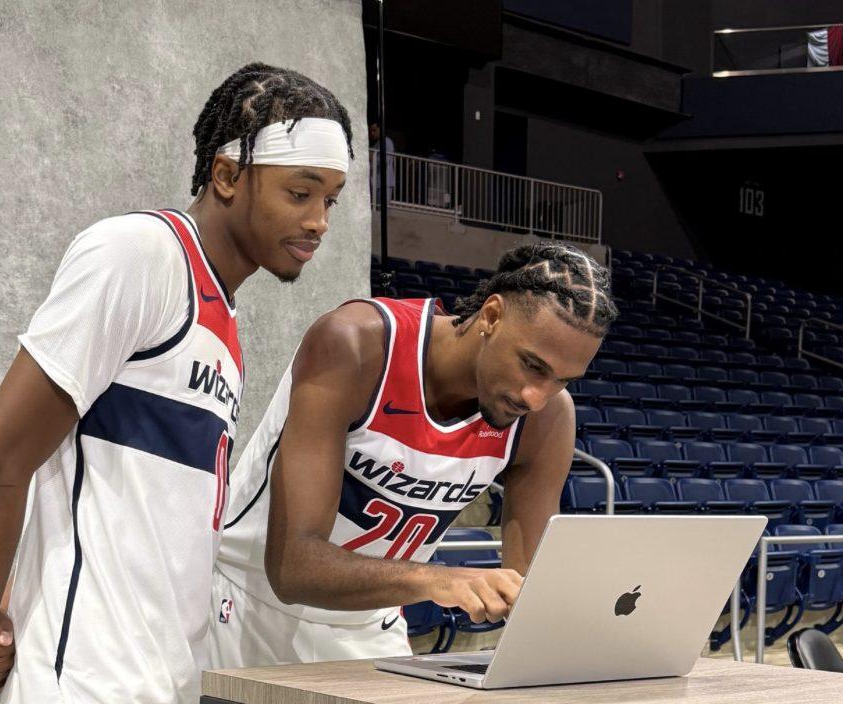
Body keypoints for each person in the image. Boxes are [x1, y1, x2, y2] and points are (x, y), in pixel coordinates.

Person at [0, 62, 353, 704]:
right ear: (226, 176)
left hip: (163, 679)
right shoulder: (138, 254)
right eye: (300, 193)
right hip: (83, 681)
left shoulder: (223, 319)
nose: (320, 221)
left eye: (330, 199)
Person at [209, 243, 617, 667]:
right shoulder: (358, 343)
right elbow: (293, 568)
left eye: (562, 380)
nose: (538, 396)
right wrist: (436, 579)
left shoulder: (545, 417)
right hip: (246, 606)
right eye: (532, 365)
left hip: (369, 623)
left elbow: (529, 589)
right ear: (492, 316)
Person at [368, 122, 395, 205]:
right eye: (371, 131)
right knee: (375, 208)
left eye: (374, 130)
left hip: (384, 182)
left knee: (382, 208)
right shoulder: (377, 144)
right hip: (376, 182)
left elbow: (385, 159)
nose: (372, 133)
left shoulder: (387, 142)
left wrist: (372, 157)